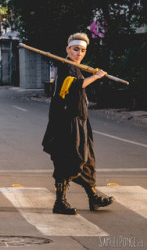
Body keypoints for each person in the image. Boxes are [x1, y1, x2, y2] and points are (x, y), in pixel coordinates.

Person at [42, 32, 115, 215]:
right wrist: (96, 76)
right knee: (71, 159)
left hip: (81, 121)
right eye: (75, 50)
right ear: (68, 49)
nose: (79, 54)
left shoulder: (77, 67)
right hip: (67, 123)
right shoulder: (66, 67)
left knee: (88, 160)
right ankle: (60, 202)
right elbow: (75, 86)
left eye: (82, 50)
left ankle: (93, 197)